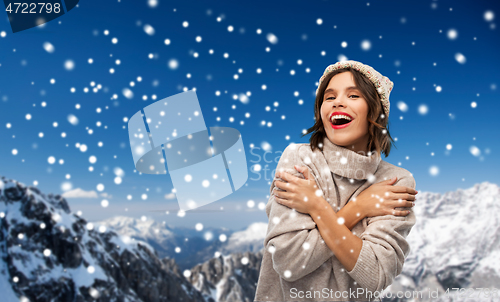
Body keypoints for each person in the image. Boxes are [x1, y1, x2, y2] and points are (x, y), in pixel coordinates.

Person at [254, 60, 418, 302]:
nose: (338, 102)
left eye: (353, 95)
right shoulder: (299, 158)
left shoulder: (395, 181)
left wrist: (316, 207)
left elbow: (376, 275)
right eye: (329, 97)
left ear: (376, 112)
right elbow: (289, 261)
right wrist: (359, 208)